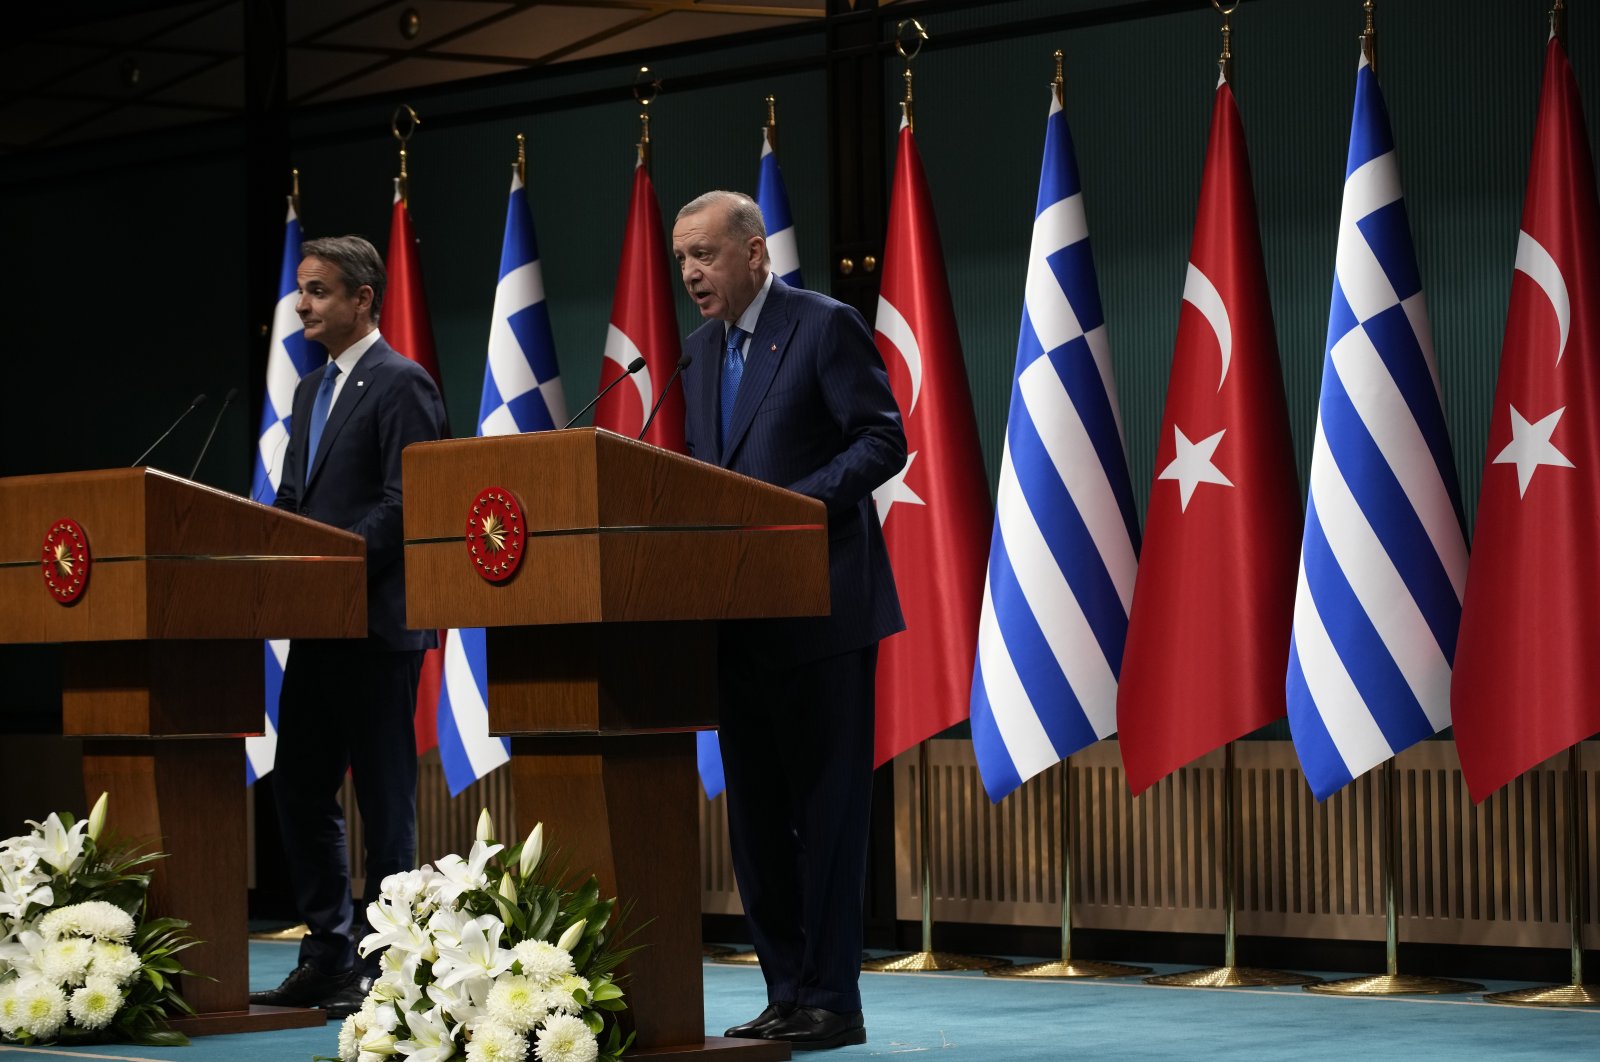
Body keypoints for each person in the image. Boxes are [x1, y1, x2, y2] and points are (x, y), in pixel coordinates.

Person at [673, 191, 905, 1051]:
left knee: (828, 817)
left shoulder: (822, 324)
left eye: (705, 254)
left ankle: (832, 1001)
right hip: (737, 623)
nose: (692, 273)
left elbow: (882, 440)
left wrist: (789, 510)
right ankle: (784, 992)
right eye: (682, 260)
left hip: (821, 611)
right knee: (760, 824)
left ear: (755, 252)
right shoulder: (697, 354)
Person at [250, 235, 447, 1019]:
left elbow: (410, 501)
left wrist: (333, 565)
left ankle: (385, 962)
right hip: (318, 626)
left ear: (364, 298)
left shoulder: (402, 382)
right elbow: (297, 496)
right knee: (298, 788)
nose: (304, 304)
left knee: (387, 801)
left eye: (319, 290)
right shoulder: (309, 391)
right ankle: (327, 952)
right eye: (302, 289)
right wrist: (271, 552)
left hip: (378, 625)